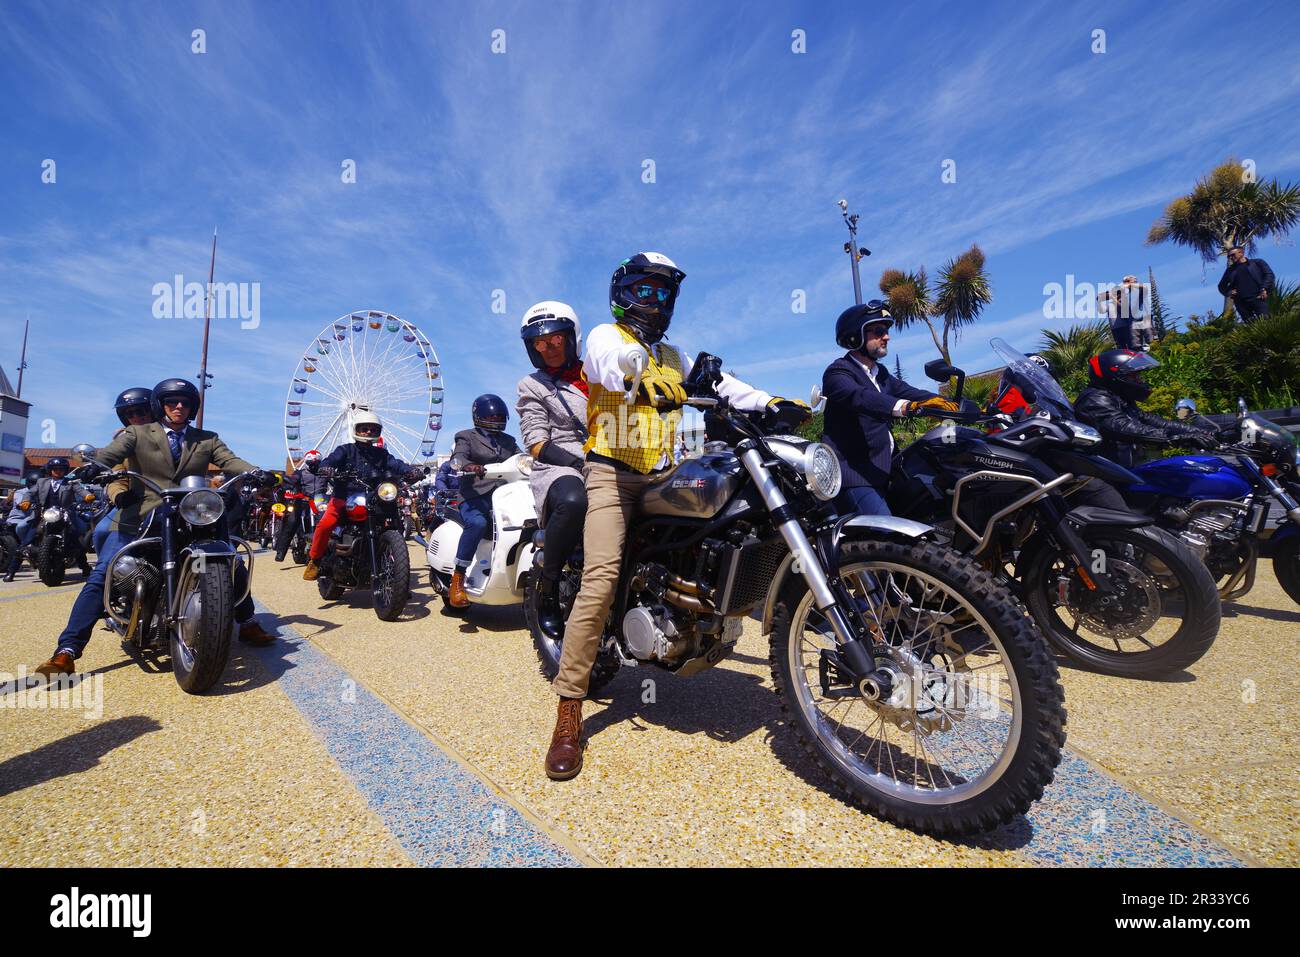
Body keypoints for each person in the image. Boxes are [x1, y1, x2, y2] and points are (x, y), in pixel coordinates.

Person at [543, 251, 809, 781]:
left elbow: (725, 384)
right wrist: (637, 377)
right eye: (647, 290)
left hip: (664, 470)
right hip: (612, 474)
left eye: (665, 294)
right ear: (624, 293)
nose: (657, 301)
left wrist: (772, 401)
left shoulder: (672, 352)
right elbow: (607, 366)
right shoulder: (606, 337)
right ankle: (569, 710)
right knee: (598, 581)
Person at [34, 378, 279, 678]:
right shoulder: (136, 434)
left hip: (192, 512)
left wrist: (258, 472)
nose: (178, 406)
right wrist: (94, 466)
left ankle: (248, 622)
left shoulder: (207, 438)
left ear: (192, 408)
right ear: (160, 406)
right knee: (104, 572)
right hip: (143, 515)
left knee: (232, 560)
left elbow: (231, 460)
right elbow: (111, 454)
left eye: (185, 402)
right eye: (171, 402)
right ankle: (66, 651)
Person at [822, 301, 958, 518]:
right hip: (854, 477)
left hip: (886, 471)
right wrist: (907, 407)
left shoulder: (880, 373)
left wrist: (953, 406)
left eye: (886, 331)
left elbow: (912, 392)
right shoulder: (838, 372)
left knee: (933, 509)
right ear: (854, 336)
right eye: (878, 331)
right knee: (888, 534)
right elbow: (861, 397)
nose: (887, 337)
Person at [516, 300, 589, 640]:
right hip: (559, 466)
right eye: (539, 343)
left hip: (609, 459)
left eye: (555, 340)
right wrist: (577, 462)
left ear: (571, 338)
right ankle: (549, 586)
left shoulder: (598, 374)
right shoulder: (532, 385)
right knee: (574, 500)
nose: (547, 348)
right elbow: (535, 442)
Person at [303, 410, 416, 581]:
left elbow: (396, 464)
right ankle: (315, 560)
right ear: (356, 430)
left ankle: (398, 576)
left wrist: (411, 471)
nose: (368, 432)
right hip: (344, 496)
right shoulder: (345, 450)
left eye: (372, 429)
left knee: (394, 522)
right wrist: (326, 468)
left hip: (372, 498)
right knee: (325, 524)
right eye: (364, 429)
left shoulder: (382, 454)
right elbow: (329, 461)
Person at [1074, 350, 1218, 469]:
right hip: (1105, 476)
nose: (1139, 381)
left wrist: (1200, 433)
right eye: (1133, 376)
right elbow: (1126, 428)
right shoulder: (1094, 400)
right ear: (1115, 377)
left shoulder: (1118, 398)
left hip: (1127, 469)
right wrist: (1177, 438)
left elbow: (1158, 422)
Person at [445, 395, 521, 608]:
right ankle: (458, 578)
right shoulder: (466, 436)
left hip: (506, 494)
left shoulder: (509, 441)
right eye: (491, 416)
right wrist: (468, 466)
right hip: (475, 495)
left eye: (499, 415)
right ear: (478, 417)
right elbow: (458, 457)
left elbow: (520, 458)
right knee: (478, 523)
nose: (496, 419)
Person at [31, 457, 92, 575]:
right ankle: (14, 567)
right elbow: (30, 492)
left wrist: (87, 496)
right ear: (50, 470)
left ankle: (84, 566)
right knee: (29, 531)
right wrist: (25, 501)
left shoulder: (71, 483)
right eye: (55, 469)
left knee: (78, 534)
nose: (58, 471)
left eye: (61, 469)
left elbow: (81, 490)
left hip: (66, 514)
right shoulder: (41, 482)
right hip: (47, 513)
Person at [274, 450, 326, 562]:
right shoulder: (300, 473)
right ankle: (280, 552)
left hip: (319, 502)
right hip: (303, 501)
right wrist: (289, 482)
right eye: (311, 462)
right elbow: (292, 480)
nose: (313, 464)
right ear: (306, 462)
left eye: (316, 462)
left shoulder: (324, 473)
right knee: (292, 522)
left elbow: (334, 483)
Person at [1218, 246, 1275, 322]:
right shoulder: (1230, 270)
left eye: (1233, 255)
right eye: (1229, 256)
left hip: (1259, 297)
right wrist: (1229, 292)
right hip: (1241, 303)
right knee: (1251, 326)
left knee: (1266, 321)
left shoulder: (1257, 263)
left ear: (1241, 253)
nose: (1231, 257)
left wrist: (1264, 288)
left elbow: (1269, 275)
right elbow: (1221, 286)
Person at [2, 471, 41, 581]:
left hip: (33, 521)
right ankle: (11, 572)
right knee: (22, 547)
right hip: (17, 523)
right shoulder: (21, 492)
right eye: (34, 484)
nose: (35, 486)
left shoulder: (43, 492)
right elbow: (21, 503)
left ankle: (85, 567)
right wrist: (26, 504)